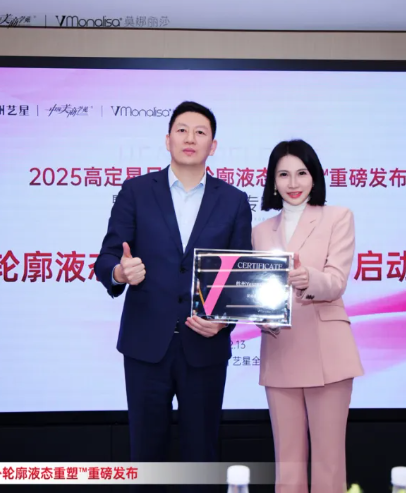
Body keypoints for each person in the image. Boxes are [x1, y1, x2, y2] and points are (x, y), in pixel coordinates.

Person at [94, 101, 253, 489]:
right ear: (167, 140)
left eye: (200, 132)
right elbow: (107, 258)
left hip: (205, 346)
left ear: (213, 145)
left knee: (201, 456)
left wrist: (224, 321)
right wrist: (120, 272)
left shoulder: (233, 200)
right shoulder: (135, 191)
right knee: (146, 455)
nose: (190, 138)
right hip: (146, 345)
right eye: (182, 130)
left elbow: (241, 275)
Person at [252, 139, 364, 493]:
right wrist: (260, 315)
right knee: (287, 467)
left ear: (314, 176)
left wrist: (307, 278)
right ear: (273, 181)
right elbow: (260, 290)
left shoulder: (338, 217)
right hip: (280, 350)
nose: (293, 182)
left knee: (329, 466)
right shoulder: (260, 231)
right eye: (283, 174)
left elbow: (336, 282)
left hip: (326, 353)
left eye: (301, 173)